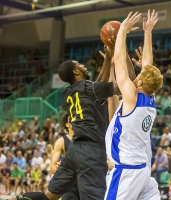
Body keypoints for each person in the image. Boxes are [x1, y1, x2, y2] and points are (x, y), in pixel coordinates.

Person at [14, 18, 122, 200]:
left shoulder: (69, 92)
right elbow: (111, 87)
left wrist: (109, 60)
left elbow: (98, 87)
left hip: (73, 151)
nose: (83, 65)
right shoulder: (88, 89)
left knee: (50, 196)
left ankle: (18, 199)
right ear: (75, 72)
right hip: (91, 151)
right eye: (79, 64)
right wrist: (113, 59)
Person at [105, 10, 162, 199]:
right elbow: (148, 64)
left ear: (139, 83)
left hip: (126, 173)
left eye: (138, 77)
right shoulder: (151, 97)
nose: (136, 76)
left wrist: (122, 31)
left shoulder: (132, 98)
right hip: (143, 171)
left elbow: (120, 62)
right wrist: (148, 32)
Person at [49, 113, 79, 199]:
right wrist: (63, 169)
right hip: (70, 185)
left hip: (84, 182)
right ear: (67, 124)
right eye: (72, 119)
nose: (75, 121)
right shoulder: (61, 141)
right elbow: (52, 168)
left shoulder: (85, 140)